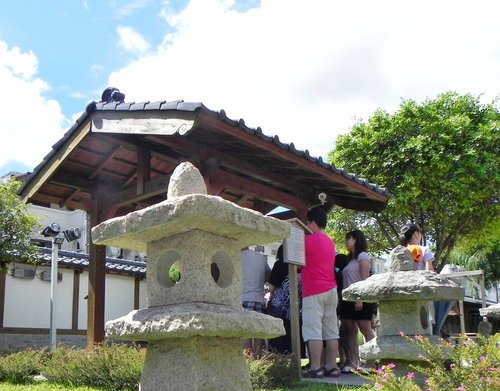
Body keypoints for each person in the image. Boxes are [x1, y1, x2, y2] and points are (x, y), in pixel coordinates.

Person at [301, 206, 340, 378]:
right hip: (331, 289)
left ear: (313, 223)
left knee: (313, 329)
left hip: (314, 290)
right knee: (331, 330)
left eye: (308, 222)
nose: (307, 225)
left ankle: (316, 368)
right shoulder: (330, 241)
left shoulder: (306, 240)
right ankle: (332, 367)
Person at [340, 230, 376, 371]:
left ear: (356, 239)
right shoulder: (350, 259)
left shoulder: (363, 256)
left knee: (366, 329)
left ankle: (371, 363)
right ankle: (354, 362)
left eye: (349, 238)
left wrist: (360, 299)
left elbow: (365, 279)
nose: (346, 241)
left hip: (360, 298)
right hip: (347, 299)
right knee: (350, 331)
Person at [267, 245, 305, 355]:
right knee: (294, 328)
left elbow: (272, 286)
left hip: (279, 306)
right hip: (297, 305)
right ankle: (296, 352)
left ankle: (278, 351)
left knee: (279, 329)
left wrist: (270, 297)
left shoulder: (279, 265)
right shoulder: (300, 266)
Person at [241, 247, 270, 357]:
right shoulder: (260, 256)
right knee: (258, 332)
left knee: (244, 332)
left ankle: (247, 361)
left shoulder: (236, 256)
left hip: (243, 297)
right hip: (258, 298)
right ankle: (258, 359)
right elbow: (268, 275)